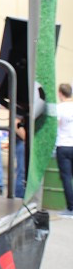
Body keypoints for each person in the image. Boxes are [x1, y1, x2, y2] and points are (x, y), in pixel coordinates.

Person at [56, 82, 73, 216]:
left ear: (60, 93)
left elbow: (56, 124)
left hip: (63, 144)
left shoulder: (59, 108)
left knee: (66, 177)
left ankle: (71, 207)